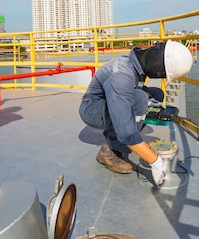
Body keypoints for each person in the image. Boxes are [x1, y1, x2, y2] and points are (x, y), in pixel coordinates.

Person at [79, 40, 193, 185]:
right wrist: (156, 162)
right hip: (92, 109)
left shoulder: (136, 65)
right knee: (140, 99)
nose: (161, 77)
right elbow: (126, 129)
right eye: (163, 74)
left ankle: (127, 140)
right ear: (159, 65)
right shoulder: (120, 74)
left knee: (156, 93)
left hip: (109, 103)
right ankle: (109, 150)